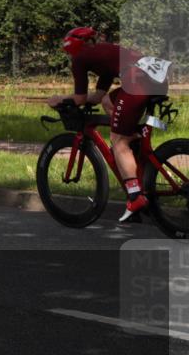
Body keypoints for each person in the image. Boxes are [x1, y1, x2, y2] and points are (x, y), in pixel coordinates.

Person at [48, 27, 171, 222]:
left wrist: (60, 99)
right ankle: (132, 141)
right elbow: (98, 98)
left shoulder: (79, 58)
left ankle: (135, 196)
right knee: (108, 101)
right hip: (157, 76)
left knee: (118, 142)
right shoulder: (104, 53)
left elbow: (79, 99)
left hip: (138, 81)